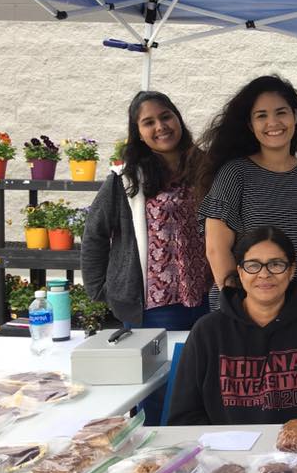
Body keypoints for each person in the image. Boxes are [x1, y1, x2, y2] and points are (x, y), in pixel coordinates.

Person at [196, 75, 297, 351]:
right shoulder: (235, 174)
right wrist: (240, 309)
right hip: (245, 312)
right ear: (250, 125)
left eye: (281, 112)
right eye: (261, 115)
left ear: (295, 117)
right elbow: (216, 250)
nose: (273, 123)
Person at [168, 226, 297, 425]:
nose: (264, 274)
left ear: (291, 271)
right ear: (240, 272)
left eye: (276, 264)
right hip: (224, 453)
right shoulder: (207, 331)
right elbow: (184, 416)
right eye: (253, 266)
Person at [82, 91, 210, 330]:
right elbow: (94, 233)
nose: (161, 127)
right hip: (154, 307)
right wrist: (101, 288)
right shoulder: (127, 179)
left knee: (203, 367)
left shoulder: (206, 168)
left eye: (166, 117)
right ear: (138, 133)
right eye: (148, 122)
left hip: (208, 298)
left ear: (178, 118)